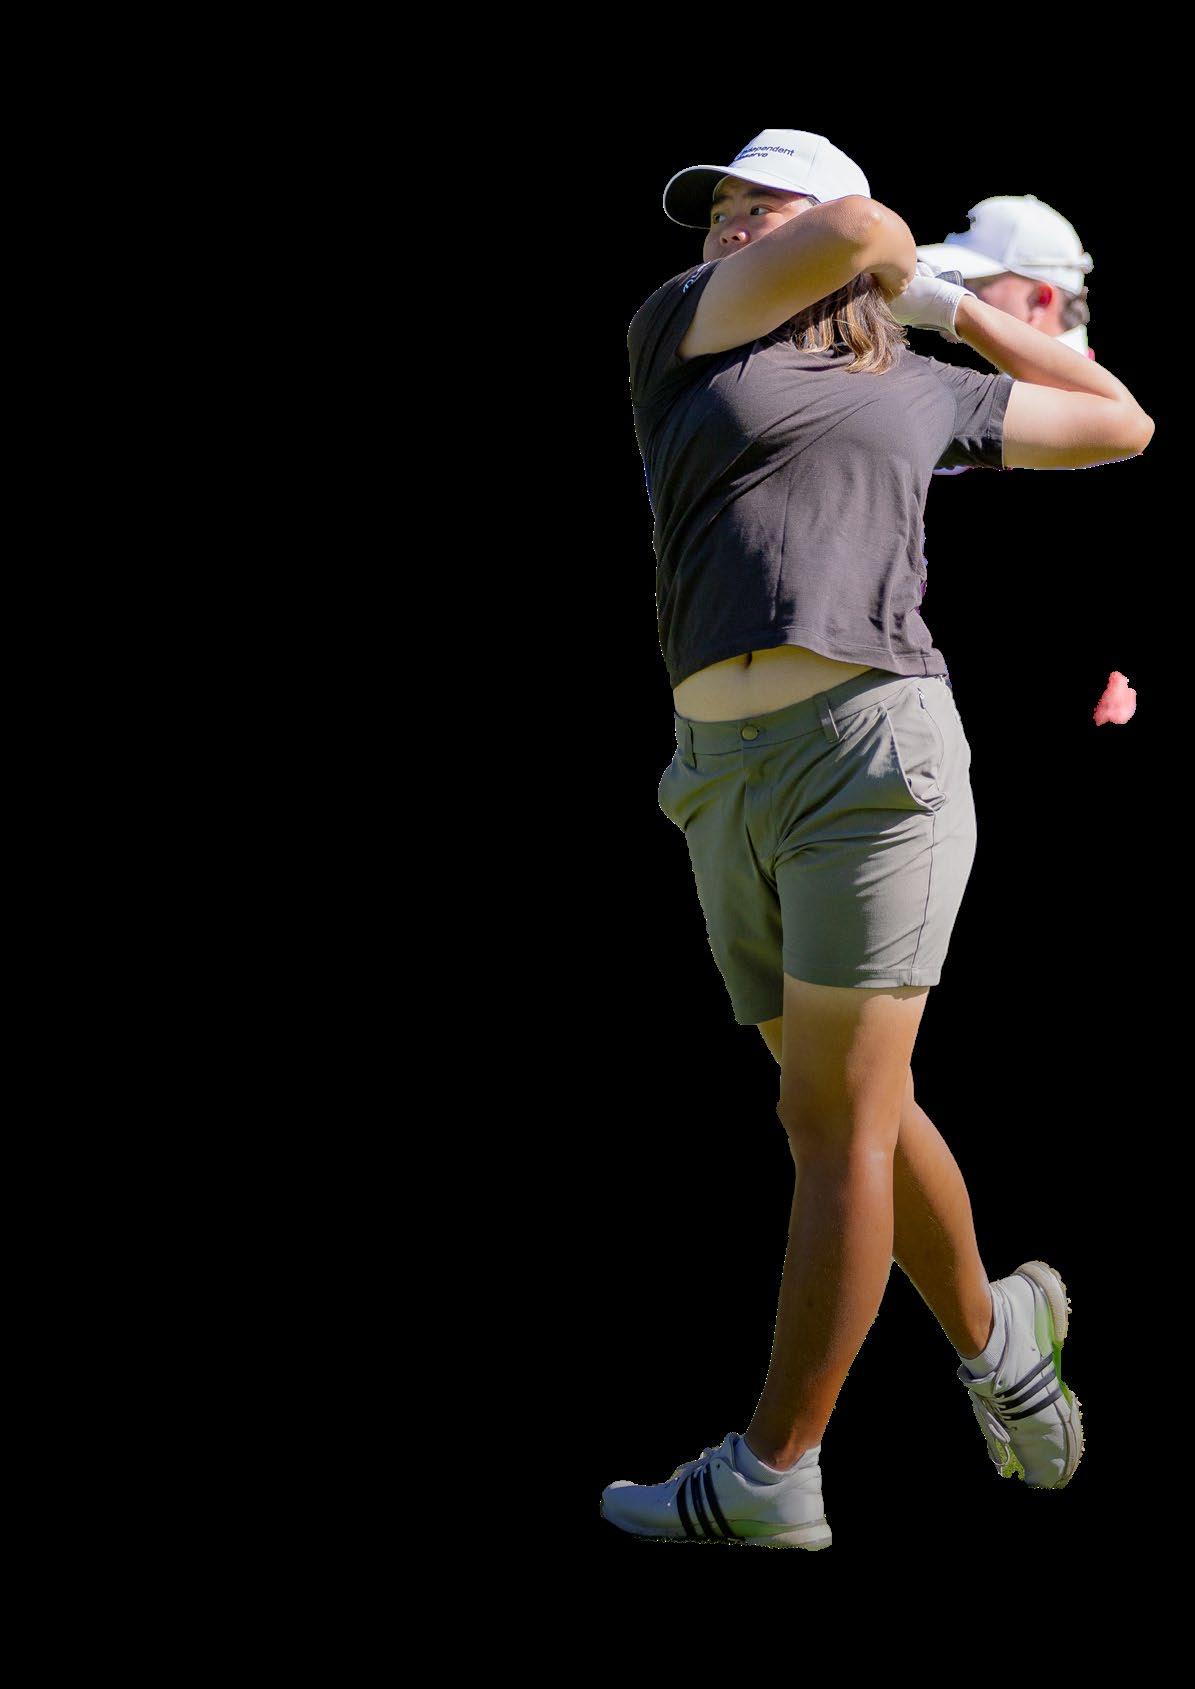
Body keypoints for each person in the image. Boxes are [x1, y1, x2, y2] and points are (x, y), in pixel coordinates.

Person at [600, 128, 1153, 1551]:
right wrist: (859, 248)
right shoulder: (685, 328)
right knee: (845, 1109)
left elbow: (1119, 422)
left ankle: (774, 1472)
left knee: (834, 1123)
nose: (731, 225)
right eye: (720, 210)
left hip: (875, 759)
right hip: (721, 778)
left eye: (759, 203)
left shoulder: (915, 383)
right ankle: (1002, 1344)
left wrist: (947, 307)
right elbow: (860, 236)